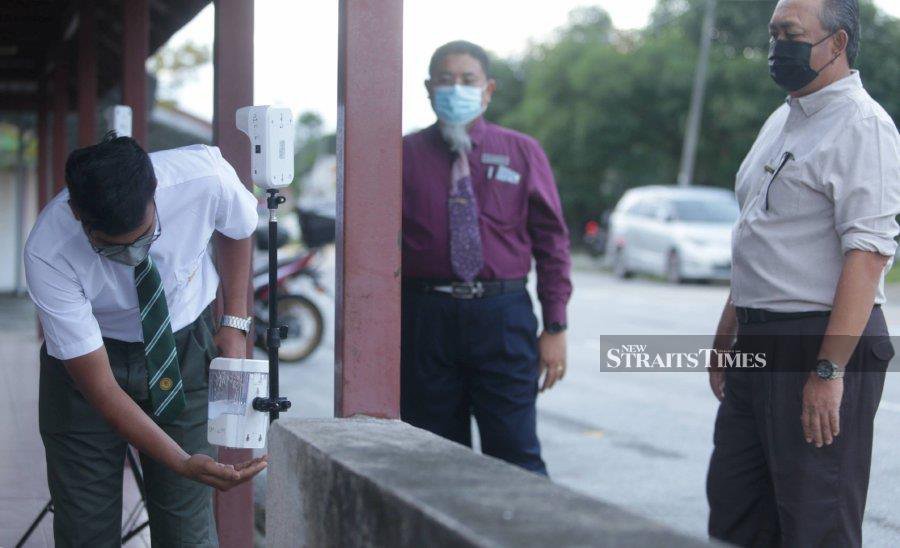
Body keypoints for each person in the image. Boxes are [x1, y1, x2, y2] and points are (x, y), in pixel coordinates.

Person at [705, 0, 900, 546]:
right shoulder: (784, 116)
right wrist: (730, 327)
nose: (775, 48)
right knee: (737, 512)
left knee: (815, 521)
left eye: (789, 34)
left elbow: (868, 253)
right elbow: (759, 232)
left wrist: (829, 371)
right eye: (773, 34)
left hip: (818, 342)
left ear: (836, 44)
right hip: (758, 337)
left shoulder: (863, 126)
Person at [24, 134, 267, 547]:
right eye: (111, 248)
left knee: (186, 531)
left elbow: (239, 226)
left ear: (154, 193)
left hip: (184, 346)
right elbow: (100, 388)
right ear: (77, 214)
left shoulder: (204, 178)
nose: (133, 254)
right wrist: (181, 460)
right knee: (85, 527)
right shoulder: (48, 250)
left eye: (143, 237)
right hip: (89, 366)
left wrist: (236, 321)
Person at [401, 40, 572, 475]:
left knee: (516, 457)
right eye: (445, 80)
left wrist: (554, 326)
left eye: (468, 80)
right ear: (428, 88)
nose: (456, 88)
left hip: (502, 318)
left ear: (489, 90)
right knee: (433, 457)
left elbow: (552, 243)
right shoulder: (402, 155)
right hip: (426, 318)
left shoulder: (521, 151)